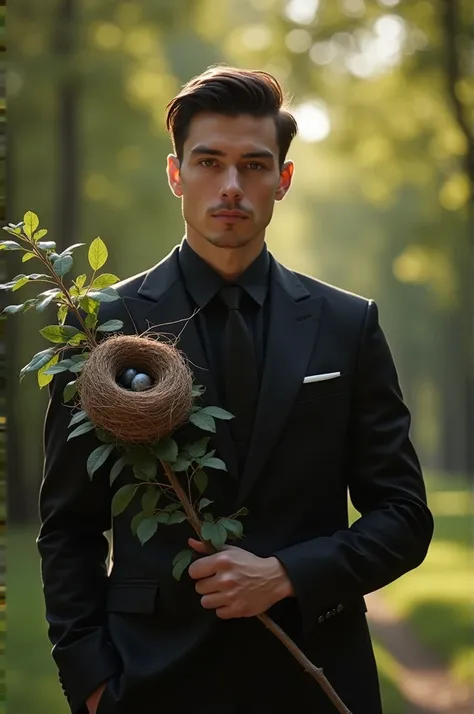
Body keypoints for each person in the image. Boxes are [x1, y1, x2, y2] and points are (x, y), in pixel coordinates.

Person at [37, 65, 434, 714]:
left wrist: (285, 575)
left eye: (253, 165)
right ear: (176, 175)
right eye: (208, 162)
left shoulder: (348, 325)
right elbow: (68, 527)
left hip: (316, 678)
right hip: (149, 682)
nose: (230, 186)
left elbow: (404, 517)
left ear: (283, 179)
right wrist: (92, 683)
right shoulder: (98, 325)